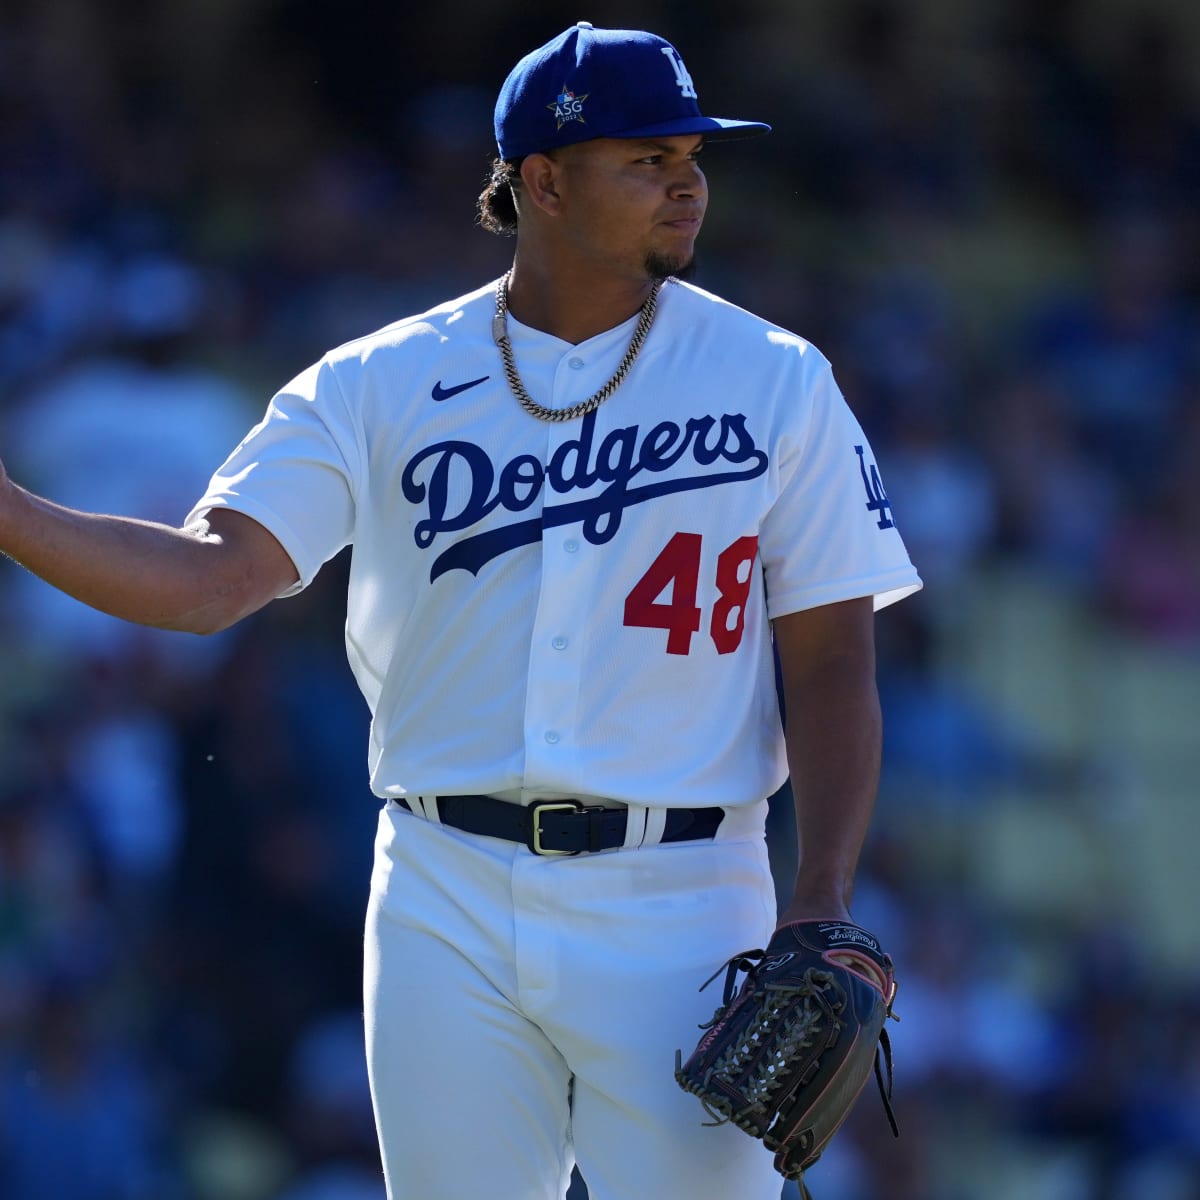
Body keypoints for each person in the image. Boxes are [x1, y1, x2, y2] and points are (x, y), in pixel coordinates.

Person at [0, 22, 922, 1200]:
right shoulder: (376, 382)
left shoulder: (777, 379)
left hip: (684, 900)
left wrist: (820, 902)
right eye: (646, 157)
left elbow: (835, 658)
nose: (689, 180)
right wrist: (12, 511)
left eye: (693, 153)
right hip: (445, 888)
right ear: (541, 180)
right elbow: (207, 581)